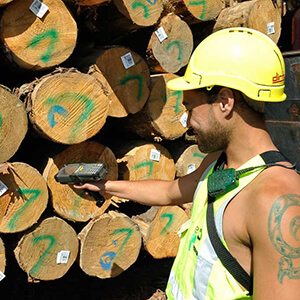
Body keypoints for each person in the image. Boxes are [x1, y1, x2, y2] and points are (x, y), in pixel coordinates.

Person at [74, 28, 300, 299]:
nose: (188, 124)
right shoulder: (220, 162)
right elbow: (170, 192)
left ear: (225, 102)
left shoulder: (276, 202)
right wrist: (106, 186)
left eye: (191, 108)